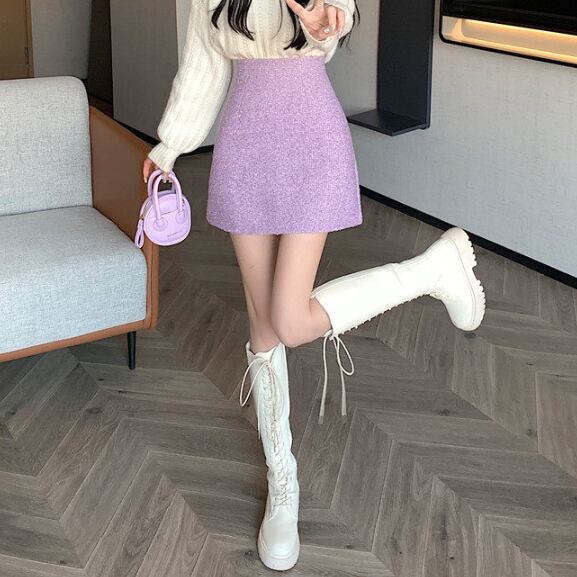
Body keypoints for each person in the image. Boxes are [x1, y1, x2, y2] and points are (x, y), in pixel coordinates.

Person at [142, 0, 486, 571]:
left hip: (311, 140)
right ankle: (283, 483)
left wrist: (333, 21)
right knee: (262, 328)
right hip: (244, 148)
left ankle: (431, 271)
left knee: (290, 321)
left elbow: (336, 11)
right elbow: (203, 64)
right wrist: (168, 148)